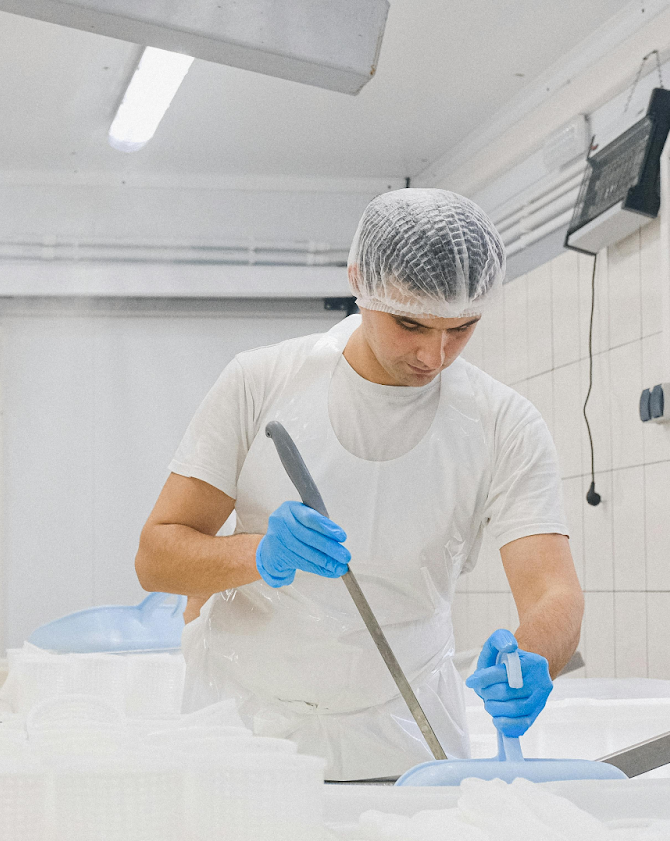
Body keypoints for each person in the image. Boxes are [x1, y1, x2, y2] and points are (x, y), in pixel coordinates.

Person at [135, 188, 582, 781]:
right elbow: (156, 558)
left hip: (409, 731)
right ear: (359, 282)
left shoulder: (503, 423)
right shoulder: (261, 382)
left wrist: (533, 660)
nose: (434, 354)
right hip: (244, 727)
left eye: (462, 328)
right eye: (409, 324)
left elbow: (554, 593)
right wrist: (258, 553)